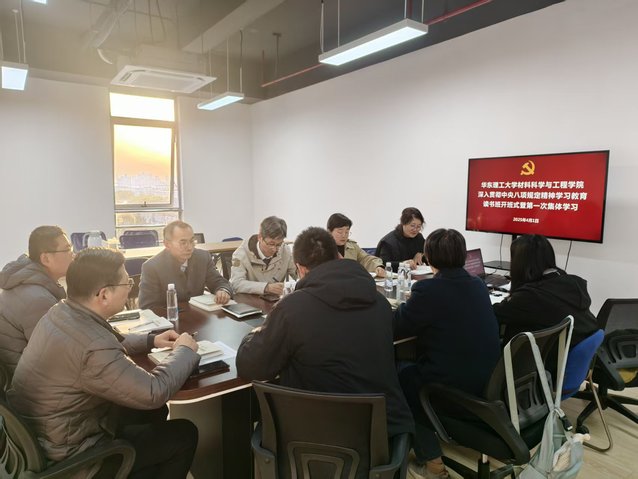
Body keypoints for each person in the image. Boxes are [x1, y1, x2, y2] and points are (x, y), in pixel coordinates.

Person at [8, 248, 200, 479]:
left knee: (151, 412)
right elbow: (152, 392)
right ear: (104, 295)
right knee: (184, 434)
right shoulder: (93, 346)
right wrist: (185, 350)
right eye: (127, 283)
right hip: (73, 458)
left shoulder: (60, 312)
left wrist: (151, 340)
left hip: (47, 435)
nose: (130, 288)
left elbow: (103, 342)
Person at [236, 227, 414, 441]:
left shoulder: (293, 309)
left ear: (301, 269)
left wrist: (254, 334)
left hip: (320, 435)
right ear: (338, 257)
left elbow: (250, 366)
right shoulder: (380, 303)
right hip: (384, 431)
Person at [393, 228, 501, 479]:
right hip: (487, 382)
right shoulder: (477, 284)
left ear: (429, 258)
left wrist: (410, 303)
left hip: (449, 387)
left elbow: (397, 326)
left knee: (398, 374)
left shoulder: (428, 290)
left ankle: (432, 464)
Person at [493, 234, 598, 347]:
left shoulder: (530, 296)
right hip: (574, 348)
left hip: (545, 355)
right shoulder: (571, 281)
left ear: (520, 263)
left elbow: (495, 313)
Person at [0, 226, 74, 374]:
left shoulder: (28, 282)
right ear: (45, 259)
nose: (73, 254)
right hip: (32, 381)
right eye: (67, 249)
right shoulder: (38, 300)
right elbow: (57, 356)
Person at [138, 220, 232, 309]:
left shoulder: (203, 257)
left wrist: (223, 290)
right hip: (169, 317)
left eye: (192, 241)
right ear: (167, 245)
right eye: (183, 243)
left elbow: (218, 281)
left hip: (198, 314)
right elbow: (147, 306)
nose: (190, 247)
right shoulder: (152, 267)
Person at [230, 216, 297, 295]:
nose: (275, 249)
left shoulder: (285, 250)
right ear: (260, 238)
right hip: (250, 299)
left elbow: (298, 274)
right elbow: (236, 283)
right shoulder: (241, 254)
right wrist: (266, 287)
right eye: (271, 244)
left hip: (275, 300)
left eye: (279, 244)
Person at [327, 213, 386, 277]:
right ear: (329, 232)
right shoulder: (322, 249)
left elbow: (366, 259)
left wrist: (377, 266)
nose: (344, 235)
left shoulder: (352, 246)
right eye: (340, 232)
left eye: (347, 232)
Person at [375, 207, 426, 271]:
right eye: (412, 225)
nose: (415, 229)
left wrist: (421, 253)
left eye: (418, 226)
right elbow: (383, 264)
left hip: (415, 274)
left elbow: (429, 251)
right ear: (403, 223)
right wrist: (403, 264)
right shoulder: (388, 242)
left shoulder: (419, 238)